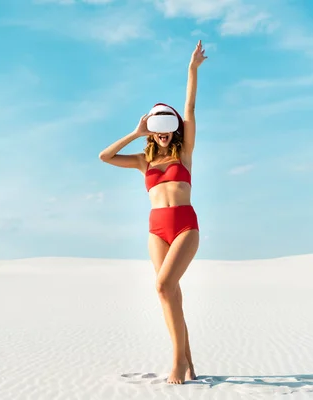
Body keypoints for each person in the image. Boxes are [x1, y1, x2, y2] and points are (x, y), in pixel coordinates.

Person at [98, 40, 207, 384]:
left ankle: (176, 362)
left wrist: (191, 70)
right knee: (169, 293)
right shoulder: (143, 160)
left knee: (162, 288)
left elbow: (189, 107)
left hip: (185, 225)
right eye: (156, 130)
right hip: (156, 229)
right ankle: (188, 362)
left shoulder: (184, 152)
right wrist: (136, 132)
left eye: (167, 129)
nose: (162, 135)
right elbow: (105, 156)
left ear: (173, 129)